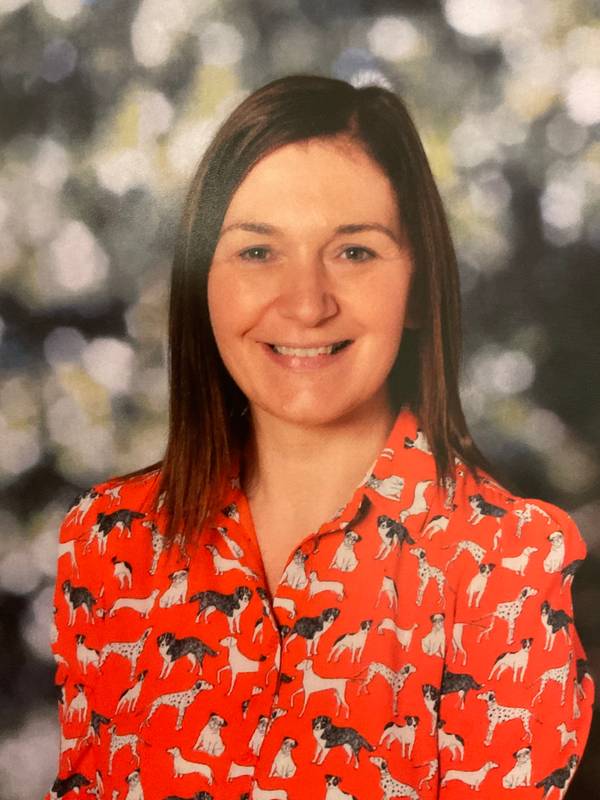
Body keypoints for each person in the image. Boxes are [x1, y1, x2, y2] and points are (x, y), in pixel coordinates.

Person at [46, 75, 593, 800]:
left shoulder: (506, 566)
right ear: (201, 282)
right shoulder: (109, 545)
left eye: (354, 252)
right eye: (257, 252)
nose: (306, 304)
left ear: (418, 286)